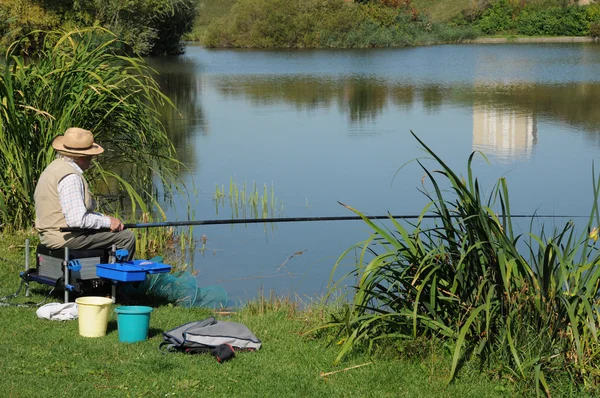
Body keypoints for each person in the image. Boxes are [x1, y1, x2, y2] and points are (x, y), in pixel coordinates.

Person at [34, 127, 135, 260]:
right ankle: (120, 280)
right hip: (64, 238)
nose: (93, 158)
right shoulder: (71, 177)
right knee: (126, 237)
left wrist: (105, 219)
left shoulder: (53, 167)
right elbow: (77, 220)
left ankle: (107, 270)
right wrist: (108, 222)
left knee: (107, 230)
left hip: (50, 235)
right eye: (91, 155)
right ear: (81, 157)